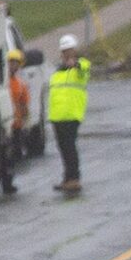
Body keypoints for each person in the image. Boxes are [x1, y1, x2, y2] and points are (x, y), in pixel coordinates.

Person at [48, 34, 89, 193]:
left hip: (72, 115)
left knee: (70, 147)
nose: (67, 54)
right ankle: (67, 178)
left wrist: (75, 64)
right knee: (63, 148)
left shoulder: (81, 66)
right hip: (57, 116)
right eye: (64, 51)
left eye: (70, 50)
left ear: (75, 51)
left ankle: (74, 179)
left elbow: (83, 68)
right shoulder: (57, 72)